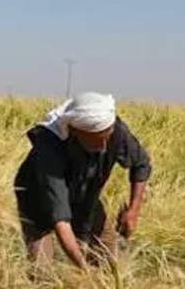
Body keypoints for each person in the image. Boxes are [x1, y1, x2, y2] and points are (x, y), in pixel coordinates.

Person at [13, 92, 151, 269]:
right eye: (96, 141)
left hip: (85, 193)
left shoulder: (114, 129)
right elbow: (60, 219)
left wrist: (133, 210)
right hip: (38, 198)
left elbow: (141, 164)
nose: (102, 148)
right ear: (74, 132)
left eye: (106, 137)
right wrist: (83, 270)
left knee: (109, 262)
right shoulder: (49, 150)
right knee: (43, 273)